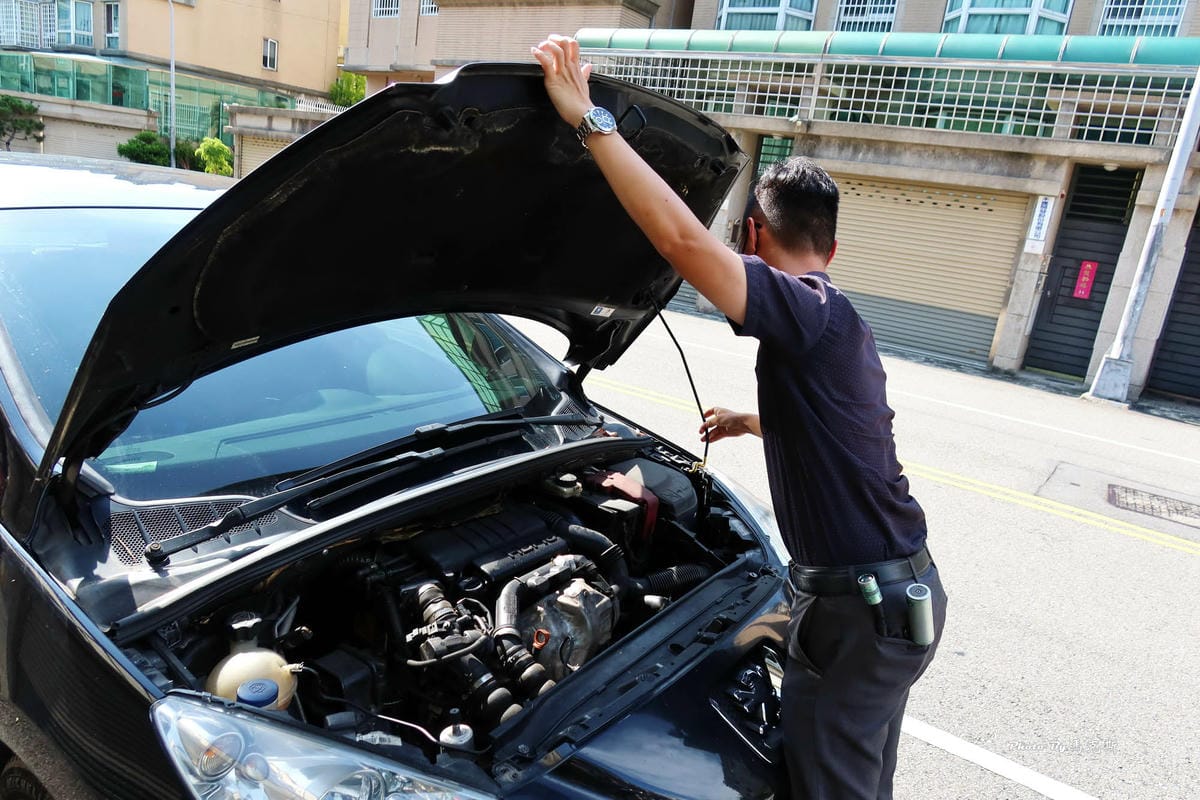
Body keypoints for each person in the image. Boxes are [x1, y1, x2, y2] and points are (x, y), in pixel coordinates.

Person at [531, 34, 948, 800]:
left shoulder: (805, 310)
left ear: (754, 238)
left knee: (825, 788)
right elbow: (855, 430)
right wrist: (755, 422)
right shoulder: (835, 322)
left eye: (741, 240)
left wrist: (589, 120)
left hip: (857, 611)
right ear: (833, 244)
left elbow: (677, 238)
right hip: (896, 599)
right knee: (858, 779)